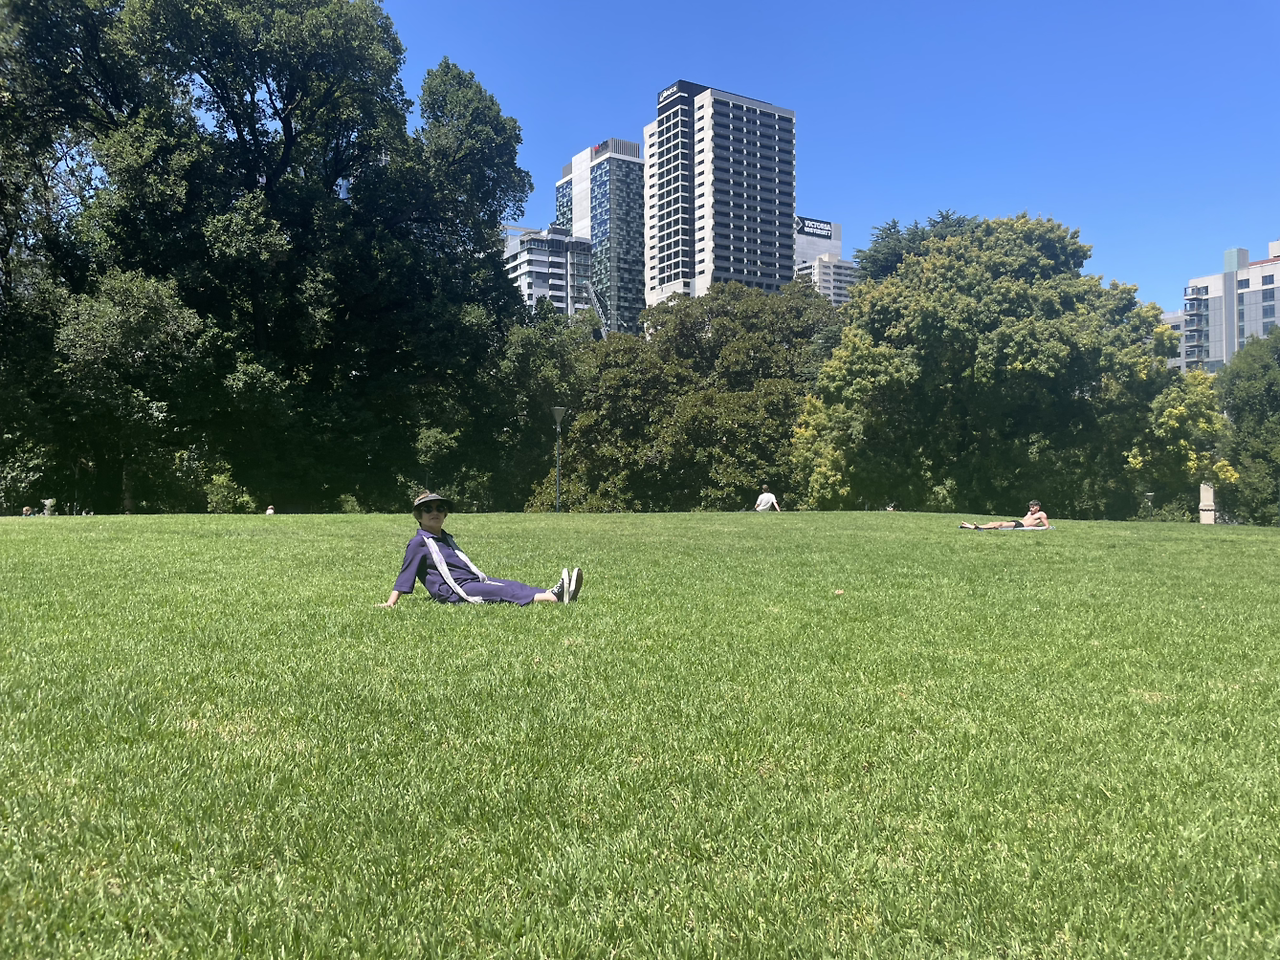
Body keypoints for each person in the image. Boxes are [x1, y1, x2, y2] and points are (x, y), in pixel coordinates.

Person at [379, 490, 583, 608]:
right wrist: (391, 602)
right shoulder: (419, 542)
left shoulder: (445, 538)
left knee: (512, 584)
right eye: (428, 509)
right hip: (455, 591)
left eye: (440, 508)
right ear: (418, 516)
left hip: (472, 581)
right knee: (501, 591)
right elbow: (406, 574)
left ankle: (556, 592)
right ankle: (553, 597)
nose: (435, 512)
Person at [959, 500, 1049, 530]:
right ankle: (973, 526)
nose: (1031, 509)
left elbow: (1047, 526)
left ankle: (977, 527)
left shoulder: (1041, 514)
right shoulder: (1029, 513)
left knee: (999, 524)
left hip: (1020, 525)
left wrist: (1035, 528)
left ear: (1038, 507)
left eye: (1033, 507)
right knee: (993, 523)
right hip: (1017, 522)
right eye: (1030, 507)